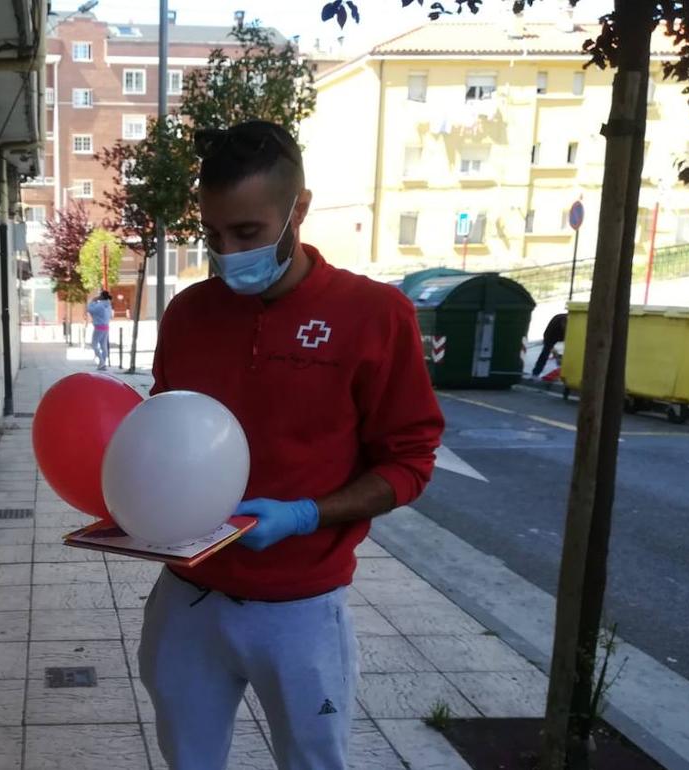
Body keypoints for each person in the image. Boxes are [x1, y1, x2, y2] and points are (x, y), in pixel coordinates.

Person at [141, 120, 444, 770]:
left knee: (313, 762)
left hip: (301, 609)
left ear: (298, 209)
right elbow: (165, 433)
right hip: (187, 596)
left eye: (246, 233)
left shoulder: (374, 314)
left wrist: (304, 513)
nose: (227, 254)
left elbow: (410, 462)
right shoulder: (189, 314)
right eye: (212, 235)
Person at [531, 312, 567, 378]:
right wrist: (553, 351)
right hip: (552, 335)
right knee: (545, 352)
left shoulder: (573, 323)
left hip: (566, 333)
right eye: (564, 325)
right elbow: (547, 342)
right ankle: (536, 373)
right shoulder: (552, 329)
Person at [86, 289, 113, 370]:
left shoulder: (100, 305)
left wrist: (93, 301)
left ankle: (101, 362)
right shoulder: (108, 305)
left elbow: (90, 310)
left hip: (99, 327)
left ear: (101, 296)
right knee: (103, 346)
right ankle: (103, 363)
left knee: (94, 344)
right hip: (106, 326)